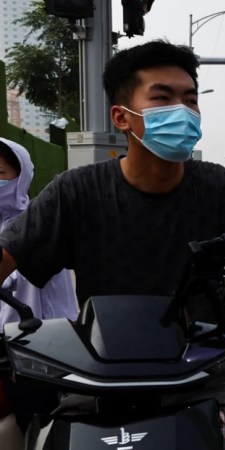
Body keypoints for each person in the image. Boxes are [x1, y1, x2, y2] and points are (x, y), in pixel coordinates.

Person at [0, 41, 225, 449]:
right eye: (162, 98)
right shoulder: (77, 191)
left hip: (199, 374)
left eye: (190, 100)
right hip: (95, 380)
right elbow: (9, 254)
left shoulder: (214, 185)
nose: (182, 110)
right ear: (122, 117)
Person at [0, 138, 77, 434]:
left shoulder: (37, 224)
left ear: (21, 178)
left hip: (40, 352)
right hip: (7, 353)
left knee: (41, 427)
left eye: (1, 173)